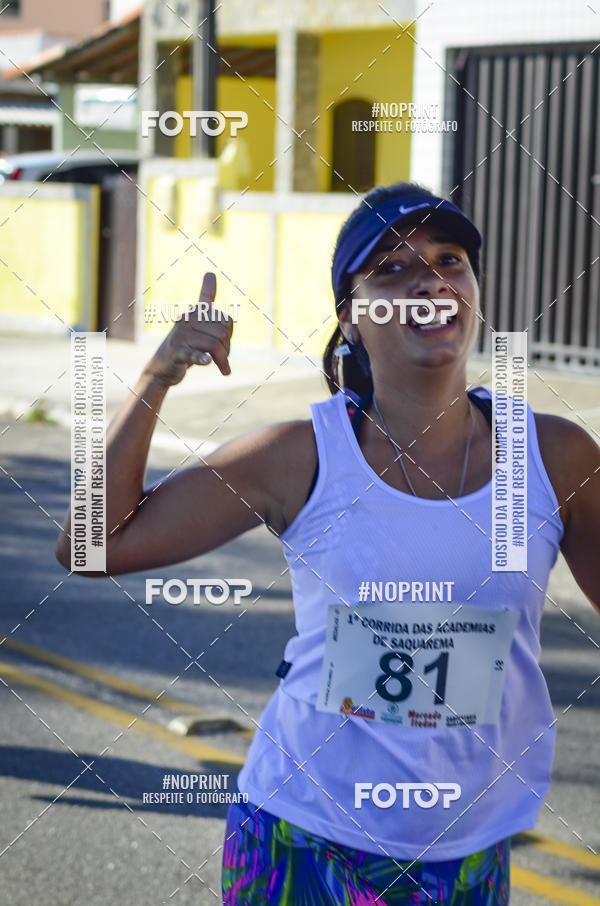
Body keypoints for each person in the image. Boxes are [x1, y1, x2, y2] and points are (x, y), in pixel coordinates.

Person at [56, 182, 600, 905]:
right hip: (300, 838)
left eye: (448, 259)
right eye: (392, 268)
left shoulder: (554, 454)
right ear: (351, 319)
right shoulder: (303, 455)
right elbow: (89, 546)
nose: (429, 280)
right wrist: (158, 375)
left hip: (467, 850)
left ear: (472, 291)